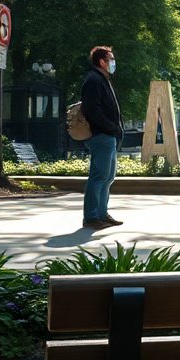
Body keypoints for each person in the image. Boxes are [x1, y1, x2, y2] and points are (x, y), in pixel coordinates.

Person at [80, 45, 123, 230]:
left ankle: (102, 213)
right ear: (101, 61)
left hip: (109, 135)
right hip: (102, 135)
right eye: (110, 59)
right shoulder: (93, 80)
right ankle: (91, 217)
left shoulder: (102, 79)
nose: (113, 63)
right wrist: (110, 126)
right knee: (99, 176)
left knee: (107, 177)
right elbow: (92, 109)